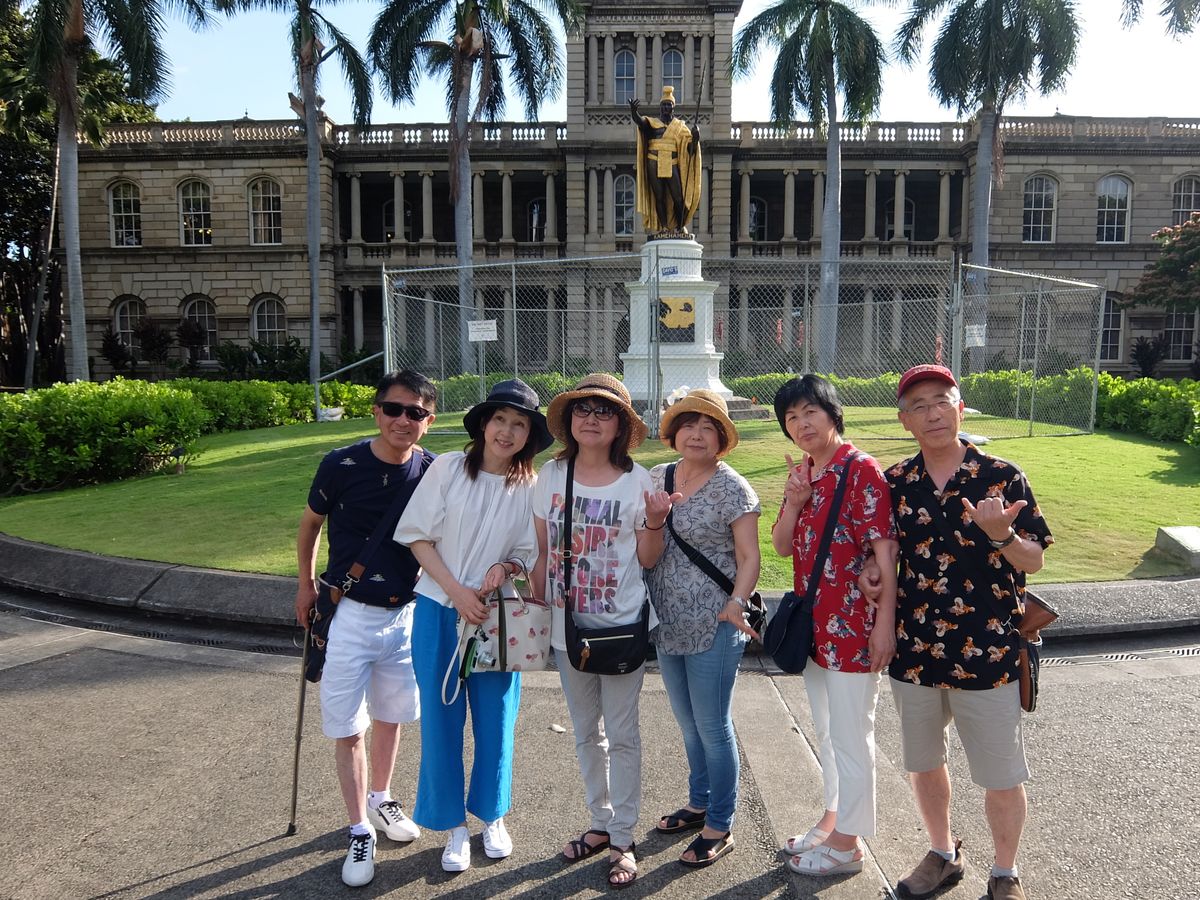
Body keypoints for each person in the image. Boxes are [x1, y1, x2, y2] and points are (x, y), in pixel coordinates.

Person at [863, 364, 1053, 900]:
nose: (933, 414)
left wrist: (1002, 536)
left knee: (1001, 773)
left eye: (942, 401)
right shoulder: (895, 482)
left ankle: (1005, 872)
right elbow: (879, 554)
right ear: (904, 420)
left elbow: (1034, 559)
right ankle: (942, 853)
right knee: (925, 764)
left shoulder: (1001, 476)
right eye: (919, 406)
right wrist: (869, 570)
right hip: (915, 650)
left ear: (960, 408)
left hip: (987, 651)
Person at [393, 379, 553, 873]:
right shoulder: (446, 468)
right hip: (439, 609)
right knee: (441, 718)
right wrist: (456, 591)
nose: (507, 431)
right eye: (499, 419)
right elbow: (418, 538)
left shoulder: (530, 487)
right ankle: (453, 826)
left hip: (495, 616)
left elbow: (528, 552)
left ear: (529, 435)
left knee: (496, 716)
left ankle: (491, 815)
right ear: (483, 424)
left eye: (519, 424)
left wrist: (505, 568)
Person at [294, 370, 437, 887]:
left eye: (415, 412)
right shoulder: (341, 463)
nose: (403, 420)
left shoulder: (431, 470)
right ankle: (359, 828)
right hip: (347, 611)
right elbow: (310, 524)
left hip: (404, 615)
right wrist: (304, 585)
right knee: (347, 726)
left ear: (428, 420)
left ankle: (382, 797)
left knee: (391, 716)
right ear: (376, 411)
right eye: (393, 409)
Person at [531, 373, 671, 890]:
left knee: (623, 734)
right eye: (583, 409)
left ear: (621, 426)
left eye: (604, 411)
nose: (591, 418)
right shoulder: (551, 475)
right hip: (568, 627)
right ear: (570, 420)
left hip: (621, 625)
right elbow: (542, 552)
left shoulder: (638, 482)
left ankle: (623, 838)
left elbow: (648, 558)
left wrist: (654, 521)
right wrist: (534, 603)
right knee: (586, 731)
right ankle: (599, 821)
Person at [768, 374, 899, 877]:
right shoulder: (804, 472)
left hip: (852, 625)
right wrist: (796, 501)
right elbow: (782, 545)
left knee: (851, 732)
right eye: (791, 417)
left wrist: (883, 624)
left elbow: (884, 551)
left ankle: (848, 844)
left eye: (810, 412)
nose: (801, 424)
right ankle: (833, 817)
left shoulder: (859, 468)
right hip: (815, 626)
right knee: (827, 730)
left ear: (832, 414)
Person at [644, 389, 762, 868]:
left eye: (708, 427)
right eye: (688, 425)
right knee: (688, 722)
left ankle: (720, 822)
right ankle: (699, 803)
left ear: (722, 438)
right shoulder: (658, 476)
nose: (696, 434)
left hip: (716, 621)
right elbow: (646, 551)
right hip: (666, 620)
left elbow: (750, 557)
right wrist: (655, 520)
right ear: (674, 434)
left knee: (713, 725)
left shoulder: (734, 488)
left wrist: (736, 603)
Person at [630, 85, 702, 235]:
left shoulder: (680, 127)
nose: (665, 107)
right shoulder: (652, 123)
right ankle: (663, 227)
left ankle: (680, 226)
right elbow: (640, 122)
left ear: (673, 107)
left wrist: (695, 138)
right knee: (659, 196)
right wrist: (634, 112)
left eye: (668, 105)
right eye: (663, 105)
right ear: (660, 108)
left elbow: (690, 150)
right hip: (653, 161)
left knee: (678, 197)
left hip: (672, 162)